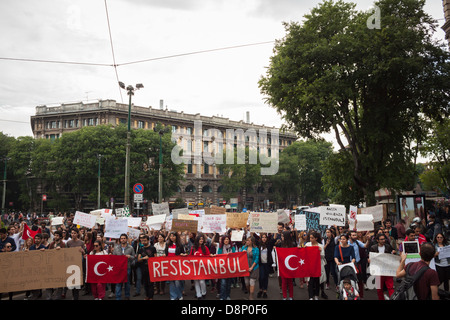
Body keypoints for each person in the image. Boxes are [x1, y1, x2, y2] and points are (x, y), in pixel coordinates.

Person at [368, 233, 396, 300]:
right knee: (379, 289)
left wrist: (393, 252)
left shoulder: (388, 246)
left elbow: (392, 253)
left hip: (387, 270)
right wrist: (370, 260)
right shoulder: (373, 247)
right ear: (377, 240)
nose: (383, 240)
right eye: (381, 239)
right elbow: (370, 257)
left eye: (384, 239)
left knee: (390, 287)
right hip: (378, 270)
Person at [112, 233, 135, 300]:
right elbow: (113, 258)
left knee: (127, 283)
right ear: (120, 239)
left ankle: (127, 296)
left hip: (127, 267)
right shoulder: (116, 248)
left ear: (126, 239)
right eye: (122, 238)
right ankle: (118, 297)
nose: (123, 240)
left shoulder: (131, 248)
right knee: (118, 283)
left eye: (124, 238)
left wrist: (129, 256)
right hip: (118, 269)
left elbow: (134, 257)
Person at [306, 231, 327, 300]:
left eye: (312, 238)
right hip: (310, 266)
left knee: (317, 282)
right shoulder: (307, 245)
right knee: (310, 282)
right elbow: (304, 253)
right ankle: (310, 296)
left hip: (318, 267)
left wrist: (320, 251)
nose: (310, 239)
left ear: (316, 238)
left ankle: (316, 295)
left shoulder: (320, 246)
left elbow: (323, 256)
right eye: (310, 238)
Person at [165, 231, 186, 300]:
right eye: (170, 236)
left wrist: (182, 255)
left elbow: (183, 253)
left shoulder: (180, 245)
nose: (172, 237)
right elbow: (166, 254)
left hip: (177, 266)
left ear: (176, 237)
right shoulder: (167, 244)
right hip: (170, 265)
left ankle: (179, 295)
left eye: (173, 236)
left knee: (177, 281)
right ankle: (173, 296)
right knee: (171, 282)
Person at [189, 233, 211, 299]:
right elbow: (190, 257)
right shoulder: (193, 248)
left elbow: (208, 256)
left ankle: (203, 292)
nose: (201, 240)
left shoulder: (205, 248)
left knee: (201, 281)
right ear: (197, 240)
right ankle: (198, 294)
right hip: (195, 268)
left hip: (202, 268)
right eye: (200, 239)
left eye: (202, 239)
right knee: (196, 281)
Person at [137, 234, 157, 300]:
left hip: (151, 267)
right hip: (143, 267)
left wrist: (150, 259)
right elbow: (138, 259)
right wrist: (143, 258)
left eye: (145, 240)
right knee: (145, 283)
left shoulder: (153, 248)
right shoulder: (141, 249)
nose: (144, 242)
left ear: (148, 241)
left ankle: (151, 296)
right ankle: (147, 295)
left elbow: (156, 258)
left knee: (151, 283)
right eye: (142, 241)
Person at [217, 234, 236, 300]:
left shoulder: (232, 248)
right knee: (223, 283)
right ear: (223, 240)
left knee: (228, 284)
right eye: (225, 239)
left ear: (229, 240)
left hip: (230, 268)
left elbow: (235, 256)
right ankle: (222, 296)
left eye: (227, 239)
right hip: (223, 268)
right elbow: (218, 256)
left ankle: (228, 295)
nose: (226, 240)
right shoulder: (220, 247)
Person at [241, 236, 259, 300]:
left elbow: (256, 259)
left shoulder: (256, 249)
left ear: (252, 241)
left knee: (252, 282)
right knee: (247, 283)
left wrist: (252, 267)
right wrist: (242, 253)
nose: (247, 242)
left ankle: (251, 296)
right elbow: (239, 257)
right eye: (247, 240)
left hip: (254, 268)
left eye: (249, 240)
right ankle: (249, 293)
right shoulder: (243, 248)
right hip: (245, 268)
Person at [257, 233, 273, 299]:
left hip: (267, 264)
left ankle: (265, 291)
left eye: (265, 237)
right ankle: (260, 289)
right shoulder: (259, 245)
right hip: (260, 264)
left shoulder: (269, 245)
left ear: (267, 238)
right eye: (263, 237)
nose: (264, 238)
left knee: (265, 277)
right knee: (261, 277)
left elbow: (273, 239)